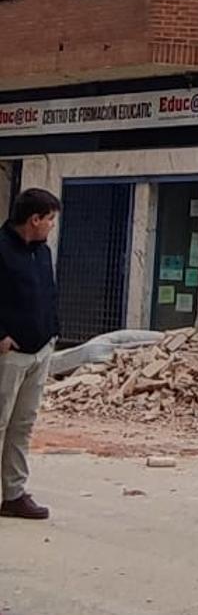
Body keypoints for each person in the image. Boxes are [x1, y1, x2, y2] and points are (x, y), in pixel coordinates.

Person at [0, 188, 62, 520]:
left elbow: (48, 293)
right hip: (9, 353)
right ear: (34, 219)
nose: (52, 226)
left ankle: (14, 494)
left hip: (40, 349)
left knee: (23, 424)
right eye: (50, 219)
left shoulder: (42, 252)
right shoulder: (2, 249)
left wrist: (53, 330)